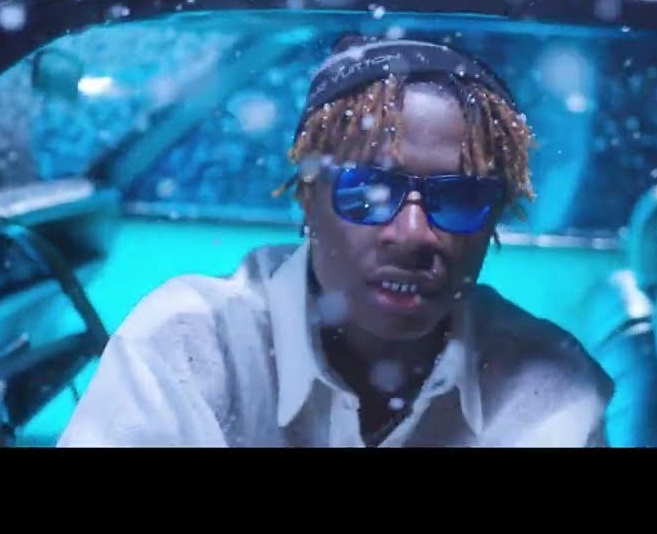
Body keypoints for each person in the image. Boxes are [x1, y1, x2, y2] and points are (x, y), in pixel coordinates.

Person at [57, 34, 613, 447]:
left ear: (494, 221)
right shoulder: (192, 345)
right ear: (308, 197)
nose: (413, 235)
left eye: (460, 198)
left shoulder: (548, 389)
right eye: (369, 191)